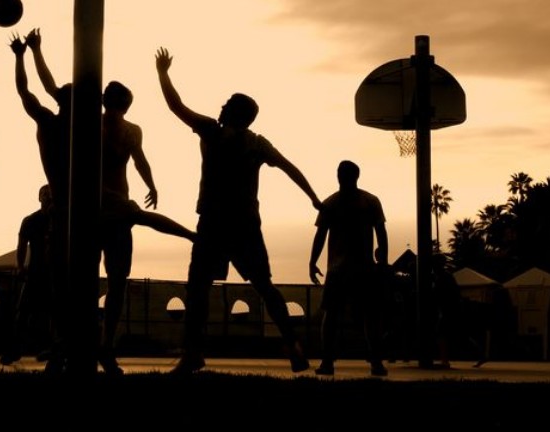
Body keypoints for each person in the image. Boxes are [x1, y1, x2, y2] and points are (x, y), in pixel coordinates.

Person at [24, 29, 196, 375]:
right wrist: (36, 52)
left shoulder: (119, 127)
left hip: (110, 207)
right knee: (103, 282)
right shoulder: (94, 123)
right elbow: (53, 90)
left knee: (103, 281)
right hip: (98, 208)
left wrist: (35, 51)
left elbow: (51, 88)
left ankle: (91, 345)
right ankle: (86, 344)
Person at [155, 46, 322, 375]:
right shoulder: (256, 142)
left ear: (233, 112)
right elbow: (290, 168)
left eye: (227, 103)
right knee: (264, 286)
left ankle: (193, 353)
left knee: (198, 287)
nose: (221, 106)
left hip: (215, 223)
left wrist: (162, 74)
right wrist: (313, 198)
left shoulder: (211, 131)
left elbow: (176, 106)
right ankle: (293, 345)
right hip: (244, 224)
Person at [10, 33, 74, 373]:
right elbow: (48, 87)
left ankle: (63, 343)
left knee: (61, 284)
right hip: (78, 210)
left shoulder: (51, 123)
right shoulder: (83, 128)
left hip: (66, 210)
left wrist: (24, 55)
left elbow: (30, 90)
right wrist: (33, 52)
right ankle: (65, 343)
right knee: (67, 284)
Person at [308, 159, 389, 377]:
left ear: (339, 176)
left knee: (332, 315)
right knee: (369, 316)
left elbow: (320, 236)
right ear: (356, 176)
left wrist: (312, 262)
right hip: (361, 268)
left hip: (340, 269)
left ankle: (328, 362)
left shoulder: (330, 203)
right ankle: (375, 363)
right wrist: (383, 260)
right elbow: (381, 232)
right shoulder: (370, 201)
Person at [0, 185, 55, 366]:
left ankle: (53, 349)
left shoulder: (60, 219)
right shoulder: (31, 220)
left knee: (54, 313)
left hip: (54, 273)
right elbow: (22, 245)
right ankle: (15, 349)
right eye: (44, 193)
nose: (48, 196)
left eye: (50, 193)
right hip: (35, 272)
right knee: (23, 312)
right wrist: (20, 266)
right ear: (39, 197)